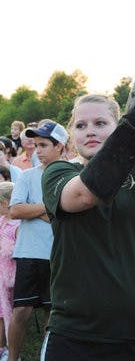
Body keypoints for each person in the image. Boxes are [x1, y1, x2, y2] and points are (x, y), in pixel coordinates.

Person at [39, 94, 135, 361]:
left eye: (100, 123)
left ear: (118, 126)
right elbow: (84, 195)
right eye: (80, 125)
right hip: (75, 334)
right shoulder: (57, 172)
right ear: (71, 134)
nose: (89, 131)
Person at [8, 121, 68, 361]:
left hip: (58, 254)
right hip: (29, 253)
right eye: (35, 144)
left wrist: (38, 210)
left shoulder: (70, 175)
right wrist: (51, 208)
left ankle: (47, 356)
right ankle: (12, 358)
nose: (37, 150)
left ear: (60, 146)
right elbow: (15, 210)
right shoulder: (26, 175)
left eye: (43, 145)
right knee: (21, 310)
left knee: (52, 314)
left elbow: (71, 213)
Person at [0, 182, 20, 361]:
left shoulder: (17, 225)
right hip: (0, 274)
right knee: (2, 311)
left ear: (7, 203)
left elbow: (19, 250)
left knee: (11, 313)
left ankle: (11, 348)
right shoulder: (1, 221)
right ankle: (2, 346)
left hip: (11, 276)